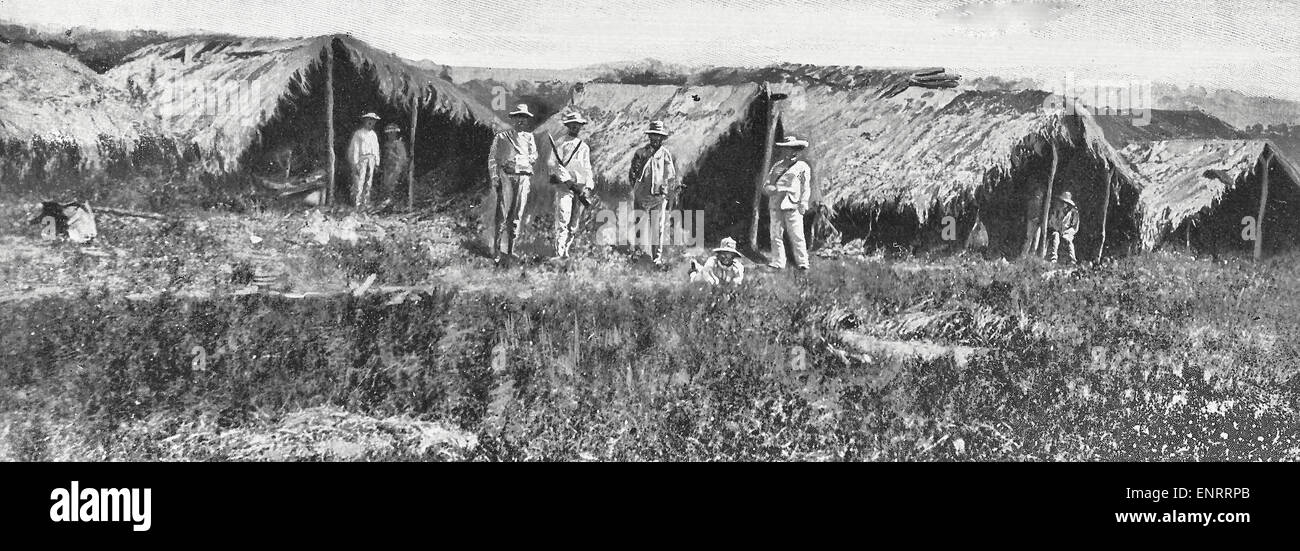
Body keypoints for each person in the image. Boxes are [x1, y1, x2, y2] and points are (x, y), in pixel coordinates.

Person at [487, 104, 539, 262]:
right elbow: (492, 158)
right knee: (502, 213)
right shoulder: (502, 137)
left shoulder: (530, 138)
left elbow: (534, 156)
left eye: (524, 118)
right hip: (506, 178)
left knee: (517, 214)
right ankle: (496, 250)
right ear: (513, 119)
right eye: (518, 117)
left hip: (523, 178)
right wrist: (495, 177)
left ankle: (510, 250)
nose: (521, 121)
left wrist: (520, 161)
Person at [629, 120, 680, 264]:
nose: (655, 138)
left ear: (662, 138)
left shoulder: (665, 154)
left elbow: (670, 175)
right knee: (639, 223)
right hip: (642, 196)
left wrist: (666, 192)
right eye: (653, 135)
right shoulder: (641, 153)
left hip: (658, 197)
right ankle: (638, 251)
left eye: (658, 136)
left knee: (657, 228)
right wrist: (637, 189)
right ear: (649, 136)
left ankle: (656, 257)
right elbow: (632, 173)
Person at [547, 111, 593, 259]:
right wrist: (568, 181)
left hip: (579, 187)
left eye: (577, 125)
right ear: (568, 125)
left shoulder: (584, 147)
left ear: (580, 126)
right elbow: (554, 165)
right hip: (564, 187)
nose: (575, 127)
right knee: (562, 219)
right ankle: (559, 252)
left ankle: (566, 250)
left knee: (574, 223)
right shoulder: (560, 143)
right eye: (572, 124)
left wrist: (588, 187)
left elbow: (587, 169)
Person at [763, 135, 812, 271]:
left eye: (794, 149)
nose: (791, 151)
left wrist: (803, 203)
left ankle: (802, 262)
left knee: (797, 235)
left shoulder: (802, 167)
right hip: (776, 204)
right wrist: (770, 189)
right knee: (775, 234)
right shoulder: (777, 167)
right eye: (788, 149)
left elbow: (805, 187)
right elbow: (767, 185)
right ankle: (778, 261)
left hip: (792, 204)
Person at [347, 112, 382, 210]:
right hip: (361, 159)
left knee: (369, 182)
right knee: (359, 181)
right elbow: (355, 148)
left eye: (373, 120)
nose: (371, 122)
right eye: (369, 120)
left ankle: (365, 203)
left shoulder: (374, 135)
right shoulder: (359, 134)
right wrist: (355, 162)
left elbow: (376, 148)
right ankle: (357, 204)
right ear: (365, 121)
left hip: (371, 159)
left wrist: (377, 161)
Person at [378, 122, 409, 210]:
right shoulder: (386, 144)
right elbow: (384, 156)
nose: (391, 135)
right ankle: (388, 202)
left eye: (392, 133)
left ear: (395, 133)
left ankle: (396, 203)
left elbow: (402, 157)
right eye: (389, 133)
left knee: (394, 185)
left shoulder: (399, 144)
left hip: (396, 168)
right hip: (388, 168)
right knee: (386, 184)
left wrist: (399, 166)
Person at [1047, 191, 1080, 264]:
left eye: (1065, 202)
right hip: (1056, 230)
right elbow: (1051, 222)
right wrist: (1057, 229)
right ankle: (1053, 259)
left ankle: (1072, 260)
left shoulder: (1073, 213)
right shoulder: (1056, 210)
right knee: (1055, 237)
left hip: (1067, 232)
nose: (1063, 204)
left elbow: (1075, 227)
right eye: (1062, 202)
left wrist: (1067, 232)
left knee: (1068, 240)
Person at [1020, 190, 1044, 258]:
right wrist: (1034, 218)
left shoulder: (1042, 204)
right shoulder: (1031, 202)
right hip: (1031, 221)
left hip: (1037, 223)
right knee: (1029, 238)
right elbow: (1029, 213)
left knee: (1036, 239)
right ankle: (1024, 255)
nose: (1038, 198)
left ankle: (1031, 256)